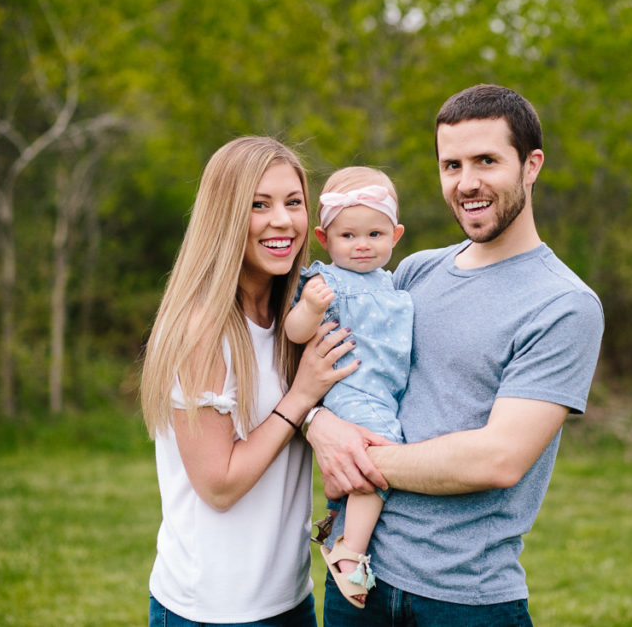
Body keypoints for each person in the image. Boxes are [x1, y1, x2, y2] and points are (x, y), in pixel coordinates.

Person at [306, 85, 605, 626]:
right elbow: (338, 369)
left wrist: (356, 458)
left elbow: (497, 459)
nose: (466, 183)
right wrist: (318, 424)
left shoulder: (564, 304)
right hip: (358, 582)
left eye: (486, 160)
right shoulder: (415, 272)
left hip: (464, 600)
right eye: (452, 165)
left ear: (531, 165)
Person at [140, 136, 362, 626]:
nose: (282, 220)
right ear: (224, 216)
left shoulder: (298, 315)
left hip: (291, 599)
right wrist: (301, 396)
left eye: (293, 202)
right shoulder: (204, 328)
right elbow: (218, 485)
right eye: (258, 205)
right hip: (214, 610)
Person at [284, 166, 412, 609]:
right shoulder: (326, 282)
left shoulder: (392, 283)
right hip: (350, 386)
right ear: (325, 238)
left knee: (363, 457)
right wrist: (310, 307)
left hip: (384, 393)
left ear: (395, 235)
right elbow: (295, 332)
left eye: (375, 234)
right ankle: (349, 554)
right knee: (378, 453)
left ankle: (334, 526)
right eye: (348, 235)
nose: (362, 245)